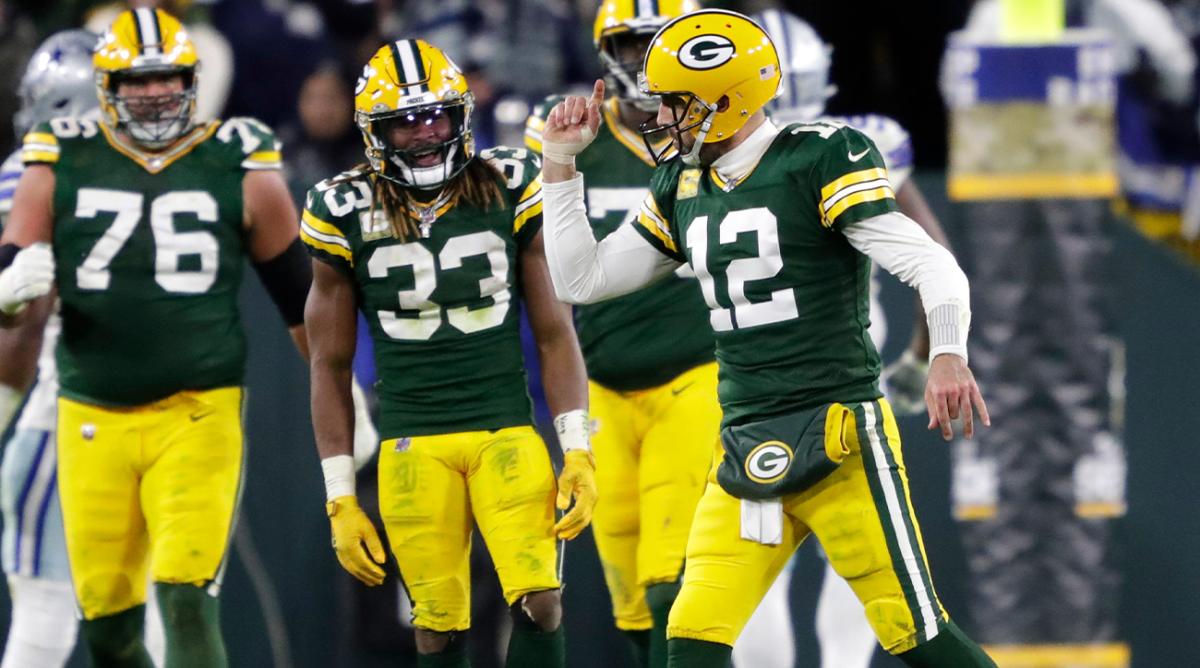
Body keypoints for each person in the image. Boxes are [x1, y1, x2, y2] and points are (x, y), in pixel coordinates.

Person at [538, 8, 996, 668]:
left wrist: (948, 352)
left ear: (727, 101)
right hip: (746, 442)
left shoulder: (820, 156)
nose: (659, 118)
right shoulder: (681, 185)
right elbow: (582, 279)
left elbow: (933, 263)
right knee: (691, 637)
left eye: (675, 103)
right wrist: (559, 165)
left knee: (915, 632)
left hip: (837, 433)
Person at [0, 8, 317, 666]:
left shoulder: (56, 166)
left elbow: (18, 339)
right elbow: (17, 313)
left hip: (95, 410)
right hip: (85, 408)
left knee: (137, 602)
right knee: (110, 615)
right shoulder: (51, 165)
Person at [303, 39, 596, 668]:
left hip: (506, 427)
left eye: (435, 115)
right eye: (403, 122)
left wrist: (577, 447)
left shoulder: (510, 182)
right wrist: (339, 495)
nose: (424, 133)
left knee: (542, 598)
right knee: (436, 627)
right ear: (373, 133)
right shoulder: (341, 208)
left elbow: (555, 331)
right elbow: (327, 364)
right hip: (412, 440)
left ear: (461, 113)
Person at [733, 9, 958, 668]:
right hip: (849, 375)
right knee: (858, 551)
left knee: (753, 549)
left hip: (749, 380)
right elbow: (934, 256)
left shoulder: (708, 157)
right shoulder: (863, 145)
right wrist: (923, 356)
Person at [524, 2, 710, 667]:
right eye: (629, 43)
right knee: (628, 593)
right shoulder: (571, 130)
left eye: (655, 42)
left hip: (698, 372)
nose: (642, 58)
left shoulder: (722, 127)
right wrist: (555, 157)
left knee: (671, 581)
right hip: (602, 380)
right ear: (604, 51)